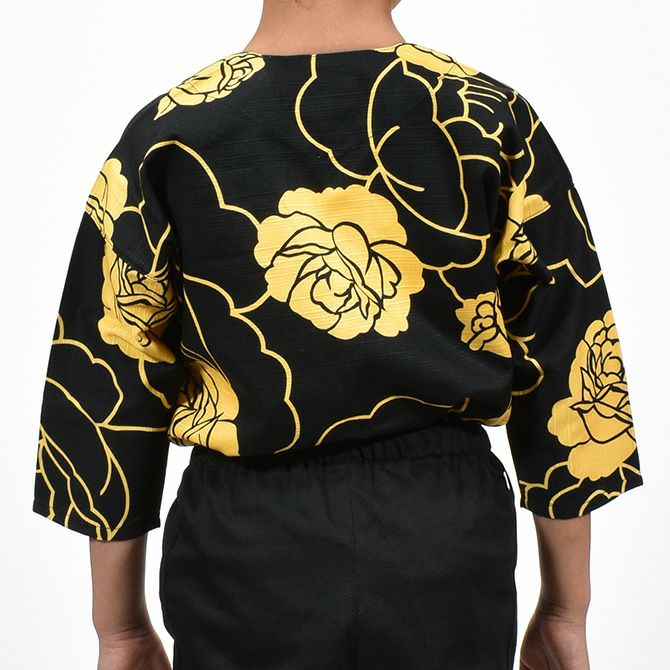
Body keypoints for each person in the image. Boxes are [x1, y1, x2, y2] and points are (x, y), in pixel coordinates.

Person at [31, 1, 643, 668]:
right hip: (443, 539)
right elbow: (570, 355)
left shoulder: (167, 133)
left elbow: (108, 377)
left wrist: (119, 627)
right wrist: (565, 609)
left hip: (245, 543)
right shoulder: (490, 116)